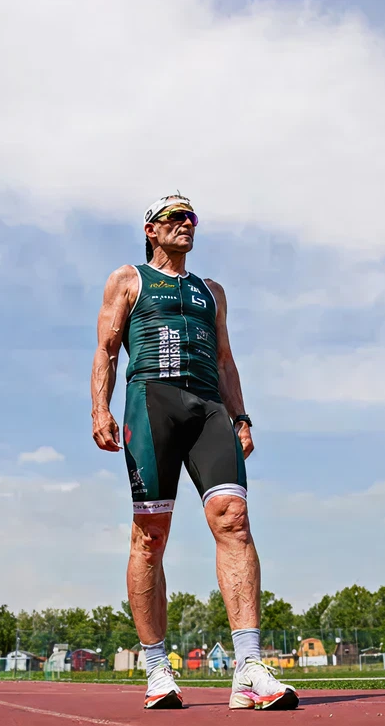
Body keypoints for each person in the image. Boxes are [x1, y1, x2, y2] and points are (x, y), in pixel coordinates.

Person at [90, 194, 298, 711]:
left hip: (207, 407)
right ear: (150, 229)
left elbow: (226, 359)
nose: (186, 224)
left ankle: (249, 669)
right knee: (149, 536)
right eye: (174, 218)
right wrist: (100, 409)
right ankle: (158, 668)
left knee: (235, 520)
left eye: (192, 218)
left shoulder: (212, 291)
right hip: (150, 402)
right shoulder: (128, 279)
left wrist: (242, 416)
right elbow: (107, 348)